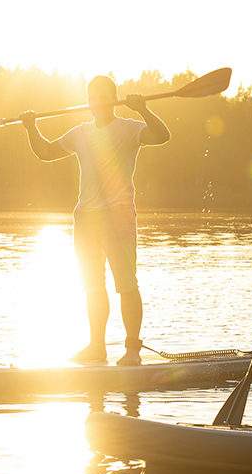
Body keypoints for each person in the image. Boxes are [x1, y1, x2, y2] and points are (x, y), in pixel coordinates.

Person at [19, 75, 171, 366]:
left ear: (114, 98)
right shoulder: (80, 133)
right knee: (92, 286)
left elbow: (162, 136)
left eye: (104, 96)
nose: (97, 101)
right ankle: (96, 348)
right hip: (85, 218)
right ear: (87, 100)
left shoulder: (128, 128)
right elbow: (47, 152)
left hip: (118, 215)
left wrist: (143, 109)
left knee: (126, 284)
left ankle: (132, 352)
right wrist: (31, 127)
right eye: (93, 96)